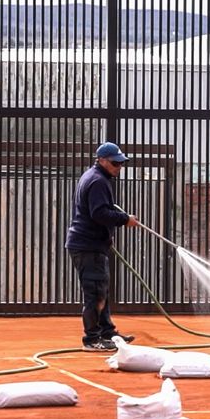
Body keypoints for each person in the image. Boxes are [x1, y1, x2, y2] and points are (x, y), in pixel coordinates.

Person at [65, 141, 140, 351]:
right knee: (95, 293)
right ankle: (92, 339)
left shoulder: (94, 177)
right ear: (102, 160)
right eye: (115, 163)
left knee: (101, 292)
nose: (119, 167)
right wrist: (125, 220)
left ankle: (108, 334)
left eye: (120, 163)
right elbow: (98, 213)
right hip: (87, 246)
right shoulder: (97, 181)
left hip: (92, 245)